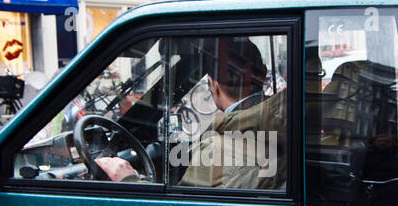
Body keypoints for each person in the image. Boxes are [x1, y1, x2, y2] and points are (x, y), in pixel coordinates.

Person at [97, 37, 285, 189]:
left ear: (213, 84)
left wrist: (129, 180)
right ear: (264, 74)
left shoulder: (218, 149)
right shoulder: (284, 122)